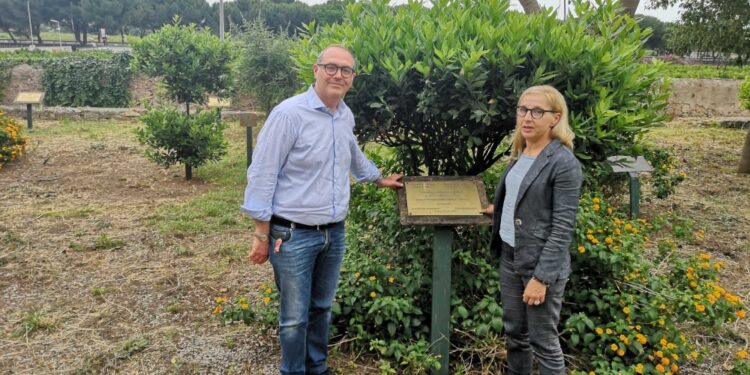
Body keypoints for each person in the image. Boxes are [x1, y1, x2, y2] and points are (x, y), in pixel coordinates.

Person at [241, 45, 403, 375]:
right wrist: (261, 233)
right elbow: (262, 172)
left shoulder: (344, 114)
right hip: (292, 235)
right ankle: (293, 371)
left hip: (334, 232)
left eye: (346, 70)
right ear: (316, 70)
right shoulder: (289, 114)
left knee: (321, 308)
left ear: (353, 79)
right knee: (294, 317)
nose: (338, 75)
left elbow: (352, 152)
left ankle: (317, 367)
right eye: (331, 67)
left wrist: (376, 178)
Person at [480, 85, 582, 374]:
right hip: (511, 257)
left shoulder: (563, 163)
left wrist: (541, 278)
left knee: (543, 341)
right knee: (515, 334)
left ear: (555, 117)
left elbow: (563, 227)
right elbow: (524, 197)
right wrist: (498, 211)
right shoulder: (522, 151)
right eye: (523, 109)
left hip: (539, 264)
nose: (527, 117)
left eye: (538, 111)